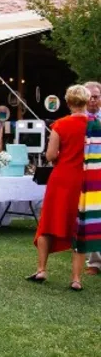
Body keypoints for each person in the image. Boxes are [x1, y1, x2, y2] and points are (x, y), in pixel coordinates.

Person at [28, 85, 94, 290]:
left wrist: (60, 158)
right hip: (85, 181)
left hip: (61, 178)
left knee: (48, 222)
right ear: (87, 101)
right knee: (80, 227)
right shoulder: (96, 125)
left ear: (67, 102)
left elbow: (50, 155)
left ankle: (41, 269)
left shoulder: (60, 124)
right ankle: (76, 279)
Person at [83, 83, 101, 276]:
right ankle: (94, 262)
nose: (93, 100)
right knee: (93, 218)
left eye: (96, 96)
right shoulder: (80, 120)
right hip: (87, 174)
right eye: (90, 96)